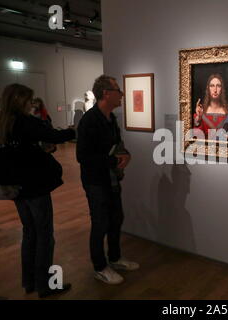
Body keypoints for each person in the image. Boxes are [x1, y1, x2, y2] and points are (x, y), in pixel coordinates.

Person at [0, 84, 75, 298]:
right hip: (34, 187)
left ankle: (29, 282)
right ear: (20, 100)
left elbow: (23, 150)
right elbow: (55, 136)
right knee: (45, 236)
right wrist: (74, 130)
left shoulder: (3, 123)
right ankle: (45, 285)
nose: (32, 103)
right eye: (29, 100)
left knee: (29, 233)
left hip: (18, 189)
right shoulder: (25, 122)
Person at [77, 75, 139, 285]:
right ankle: (100, 267)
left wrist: (125, 154)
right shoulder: (89, 120)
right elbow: (82, 157)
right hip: (96, 181)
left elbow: (118, 144)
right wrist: (113, 159)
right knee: (100, 223)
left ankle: (114, 258)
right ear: (106, 93)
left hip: (111, 179)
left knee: (116, 219)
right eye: (117, 90)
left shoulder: (111, 119)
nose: (121, 94)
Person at [193, 73, 228, 138]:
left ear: (222, 89)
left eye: (218, 86)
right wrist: (198, 120)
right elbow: (197, 137)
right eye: (212, 86)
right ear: (208, 88)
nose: (215, 90)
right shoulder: (200, 111)